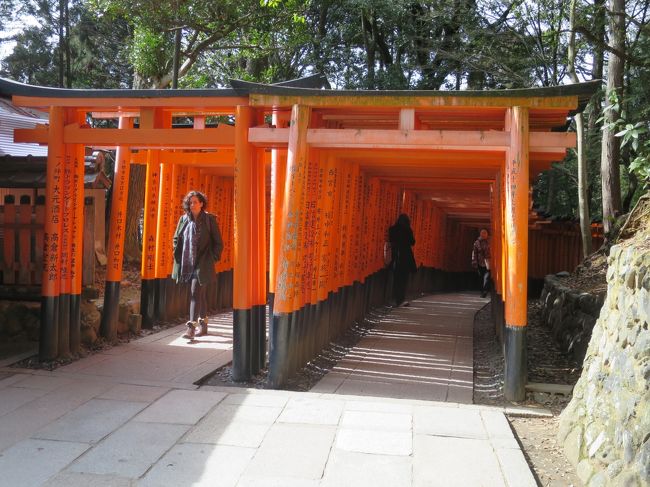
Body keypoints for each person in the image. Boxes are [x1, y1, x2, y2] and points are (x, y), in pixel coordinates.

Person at [172, 190, 223, 340]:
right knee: (200, 294)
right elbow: (176, 238)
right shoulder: (183, 220)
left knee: (195, 292)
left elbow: (218, 243)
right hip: (188, 262)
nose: (192, 204)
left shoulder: (209, 220)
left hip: (203, 262)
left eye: (195, 202)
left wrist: (212, 258)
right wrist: (178, 254)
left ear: (201, 204)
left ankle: (191, 329)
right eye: (190, 202)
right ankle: (204, 325)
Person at [388, 213, 417, 307]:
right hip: (405, 257)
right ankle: (400, 299)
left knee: (396, 279)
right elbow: (413, 242)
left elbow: (391, 240)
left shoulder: (392, 229)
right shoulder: (407, 230)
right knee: (403, 280)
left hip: (396, 256)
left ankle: (396, 299)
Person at [472, 228, 491, 298]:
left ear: (487, 234)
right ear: (480, 234)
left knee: (486, 277)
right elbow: (474, 252)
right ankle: (482, 291)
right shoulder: (477, 242)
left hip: (488, 262)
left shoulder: (490, 241)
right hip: (480, 262)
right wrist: (474, 261)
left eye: (485, 233)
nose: (483, 234)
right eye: (482, 232)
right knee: (481, 277)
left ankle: (485, 291)